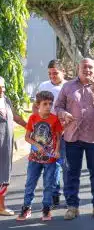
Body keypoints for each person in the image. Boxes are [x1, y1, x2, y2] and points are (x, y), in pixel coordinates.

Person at [55, 58, 94, 220]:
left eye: (90, 67)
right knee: (72, 173)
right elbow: (57, 106)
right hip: (72, 136)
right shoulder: (68, 86)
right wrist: (63, 113)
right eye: (84, 67)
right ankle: (72, 207)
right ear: (78, 69)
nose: (87, 70)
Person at [16, 91, 63, 221]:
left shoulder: (55, 119)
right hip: (34, 159)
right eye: (45, 104)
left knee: (48, 185)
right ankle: (26, 207)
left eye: (50, 104)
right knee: (30, 184)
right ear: (38, 105)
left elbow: (58, 138)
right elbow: (27, 137)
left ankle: (46, 208)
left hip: (50, 159)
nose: (48, 106)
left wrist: (57, 151)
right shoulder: (33, 118)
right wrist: (37, 145)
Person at [34, 60, 67, 207]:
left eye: (55, 73)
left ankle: (69, 196)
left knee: (65, 165)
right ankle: (54, 195)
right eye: (50, 73)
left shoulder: (68, 87)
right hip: (47, 134)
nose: (52, 76)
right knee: (51, 165)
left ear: (63, 72)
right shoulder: (43, 86)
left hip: (65, 132)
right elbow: (36, 107)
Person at [0, 76, 27, 215]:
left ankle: (1, 206)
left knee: (4, 173)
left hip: (6, 145)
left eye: (3, 86)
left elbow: (15, 116)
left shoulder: (6, 100)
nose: (1, 90)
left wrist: (28, 126)